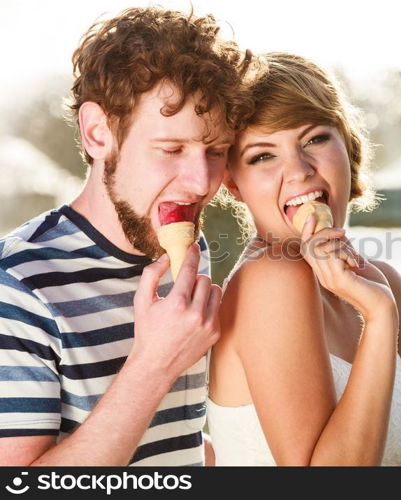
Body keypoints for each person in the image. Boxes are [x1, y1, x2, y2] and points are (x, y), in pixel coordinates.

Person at [0, 7, 254, 466]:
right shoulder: (17, 286)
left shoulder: (189, 252)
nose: (200, 182)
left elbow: (177, 443)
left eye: (215, 151)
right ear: (98, 133)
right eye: (171, 149)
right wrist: (154, 365)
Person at [207, 53, 401, 466]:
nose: (300, 170)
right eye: (263, 156)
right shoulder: (271, 280)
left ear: (348, 144)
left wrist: (382, 307)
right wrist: (378, 321)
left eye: (314, 139)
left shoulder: (383, 283)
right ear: (233, 183)